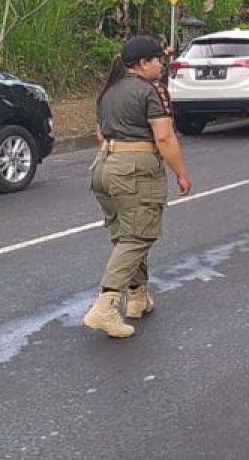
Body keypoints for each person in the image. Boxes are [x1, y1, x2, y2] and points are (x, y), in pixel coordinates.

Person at [84, 36, 193, 339]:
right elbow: (165, 138)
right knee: (138, 236)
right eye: (158, 59)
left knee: (125, 235)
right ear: (143, 63)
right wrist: (181, 173)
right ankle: (105, 307)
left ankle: (138, 297)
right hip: (135, 169)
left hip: (104, 166)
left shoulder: (109, 91)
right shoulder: (151, 91)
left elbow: (99, 135)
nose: (161, 63)